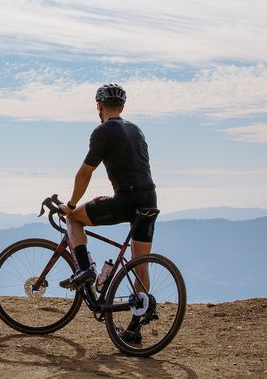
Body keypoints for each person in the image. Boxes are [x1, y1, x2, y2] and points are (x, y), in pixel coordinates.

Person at [58, 83, 157, 343]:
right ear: (122, 107)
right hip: (149, 199)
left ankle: (84, 270)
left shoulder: (102, 131)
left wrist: (71, 203)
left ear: (99, 106)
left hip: (125, 199)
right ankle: (134, 329)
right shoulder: (136, 130)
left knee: (73, 218)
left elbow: (85, 172)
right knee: (140, 263)